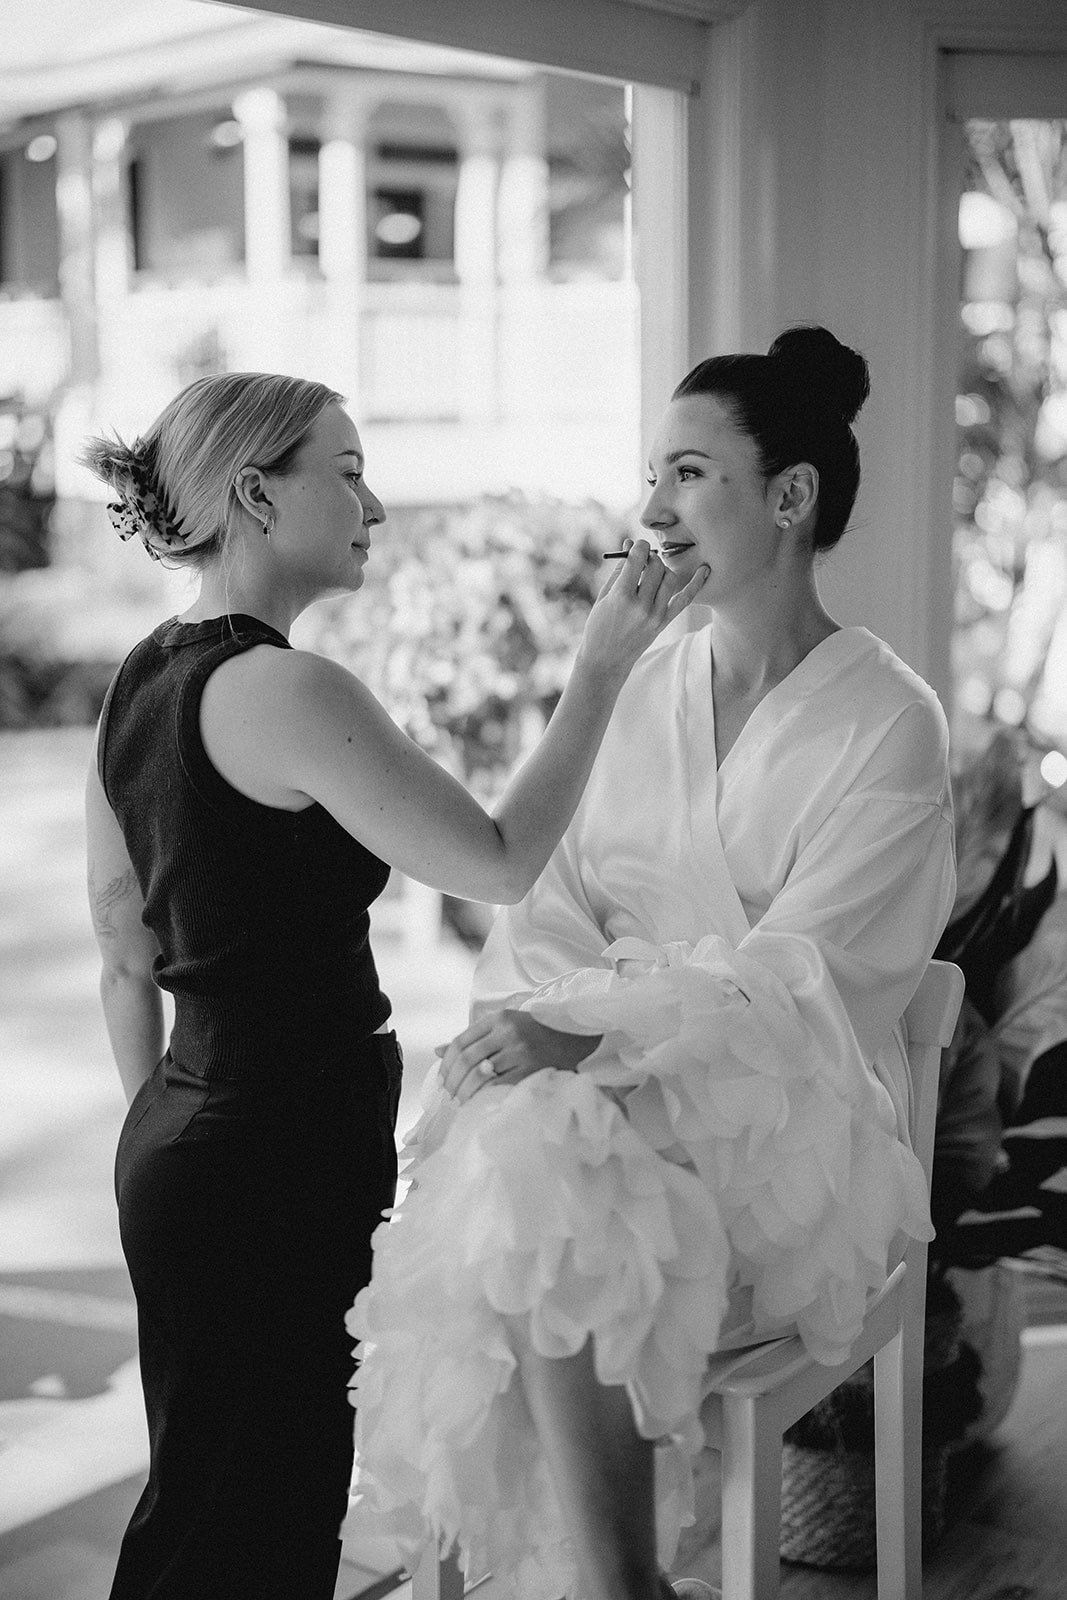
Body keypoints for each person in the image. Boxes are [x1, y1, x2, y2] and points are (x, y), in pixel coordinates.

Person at [345, 327, 958, 1600]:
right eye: (650, 474)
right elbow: (545, 913)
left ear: (788, 497)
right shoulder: (638, 682)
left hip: (786, 1124)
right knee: (529, 1157)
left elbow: (816, 974)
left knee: (525, 1171)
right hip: (586, 1104)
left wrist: (600, 1044)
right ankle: (626, 1584)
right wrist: (560, 1046)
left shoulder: (890, 723)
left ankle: (611, 1583)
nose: (651, 509)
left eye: (686, 473)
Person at [81, 370, 705, 1600]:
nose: (374, 503)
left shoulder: (139, 679)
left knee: (201, 1505)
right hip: (273, 1153)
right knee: (263, 1522)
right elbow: (500, 860)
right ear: (256, 492)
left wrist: (167, 1123)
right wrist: (601, 666)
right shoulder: (290, 690)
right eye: (349, 470)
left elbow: (119, 939)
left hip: (180, 1143)